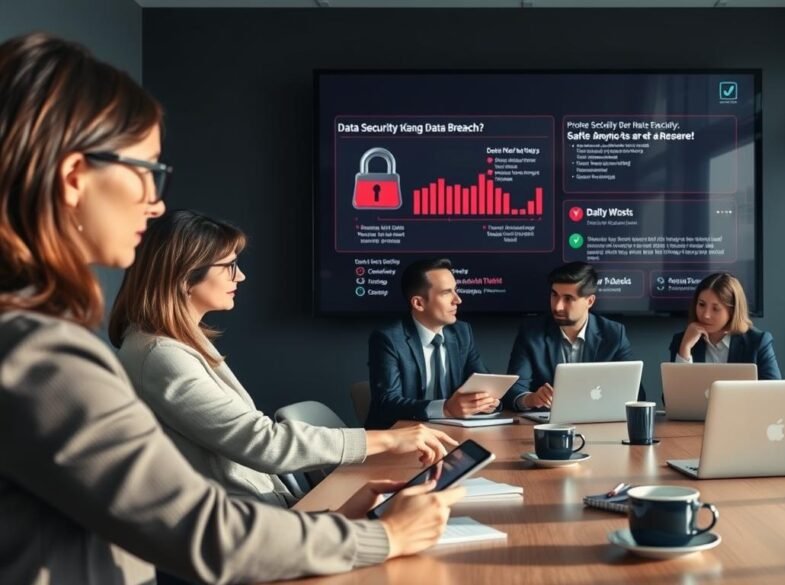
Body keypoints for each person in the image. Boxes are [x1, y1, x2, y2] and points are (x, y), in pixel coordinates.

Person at [0, 33, 462, 584]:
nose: (157, 199)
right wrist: (387, 535)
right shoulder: (42, 358)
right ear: (76, 177)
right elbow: (200, 528)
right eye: (146, 169)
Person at [109, 210, 459, 507]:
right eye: (230, 266)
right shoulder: (161, 356)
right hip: (241, 531)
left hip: (265, 515)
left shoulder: (180, 343)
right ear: (185, 276)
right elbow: (263, 444)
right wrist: (387, 439)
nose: (241, 276)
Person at [365, 258, 497, 429]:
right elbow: (387, 403)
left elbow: (483, 381)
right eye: (446, 293)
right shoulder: (388, 338)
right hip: (399, 436)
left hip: (451, 431)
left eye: (455, 290)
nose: (457, 300)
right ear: (418, 303)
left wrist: (488, 400)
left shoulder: (462, 332)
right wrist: (446, 409)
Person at [504, 262, 645, 411]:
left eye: (568, 298)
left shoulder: (613, 334)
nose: (557, 306)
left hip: (600, 420)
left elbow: (636, 394)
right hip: (549, 425)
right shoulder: (531, 333)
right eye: (554, 295)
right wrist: (531, 399)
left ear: (589, 301)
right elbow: (513, 391)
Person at [668, 272, 781, 379]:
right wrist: (685, 348)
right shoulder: (682, 340)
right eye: (701, 304)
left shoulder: (758, 342)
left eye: (716, 309)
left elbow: (774, 394)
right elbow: (671, 397)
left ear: (732, 311)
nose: (706, 315)